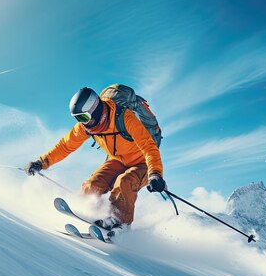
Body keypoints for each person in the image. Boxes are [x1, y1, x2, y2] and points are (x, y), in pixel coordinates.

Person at [24, 87, 166, 234]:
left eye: (83, 117)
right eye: (78, 118)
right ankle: (93, 214)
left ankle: (120, 225)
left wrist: (155, 174)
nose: (83, 123)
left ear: (95, 109)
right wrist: (41, 162)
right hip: (118, 160)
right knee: (92, 185)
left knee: (125, 182)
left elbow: (149, 148)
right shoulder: (87, 127)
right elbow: (65, 145)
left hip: (143, 163)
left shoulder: (124, 117)